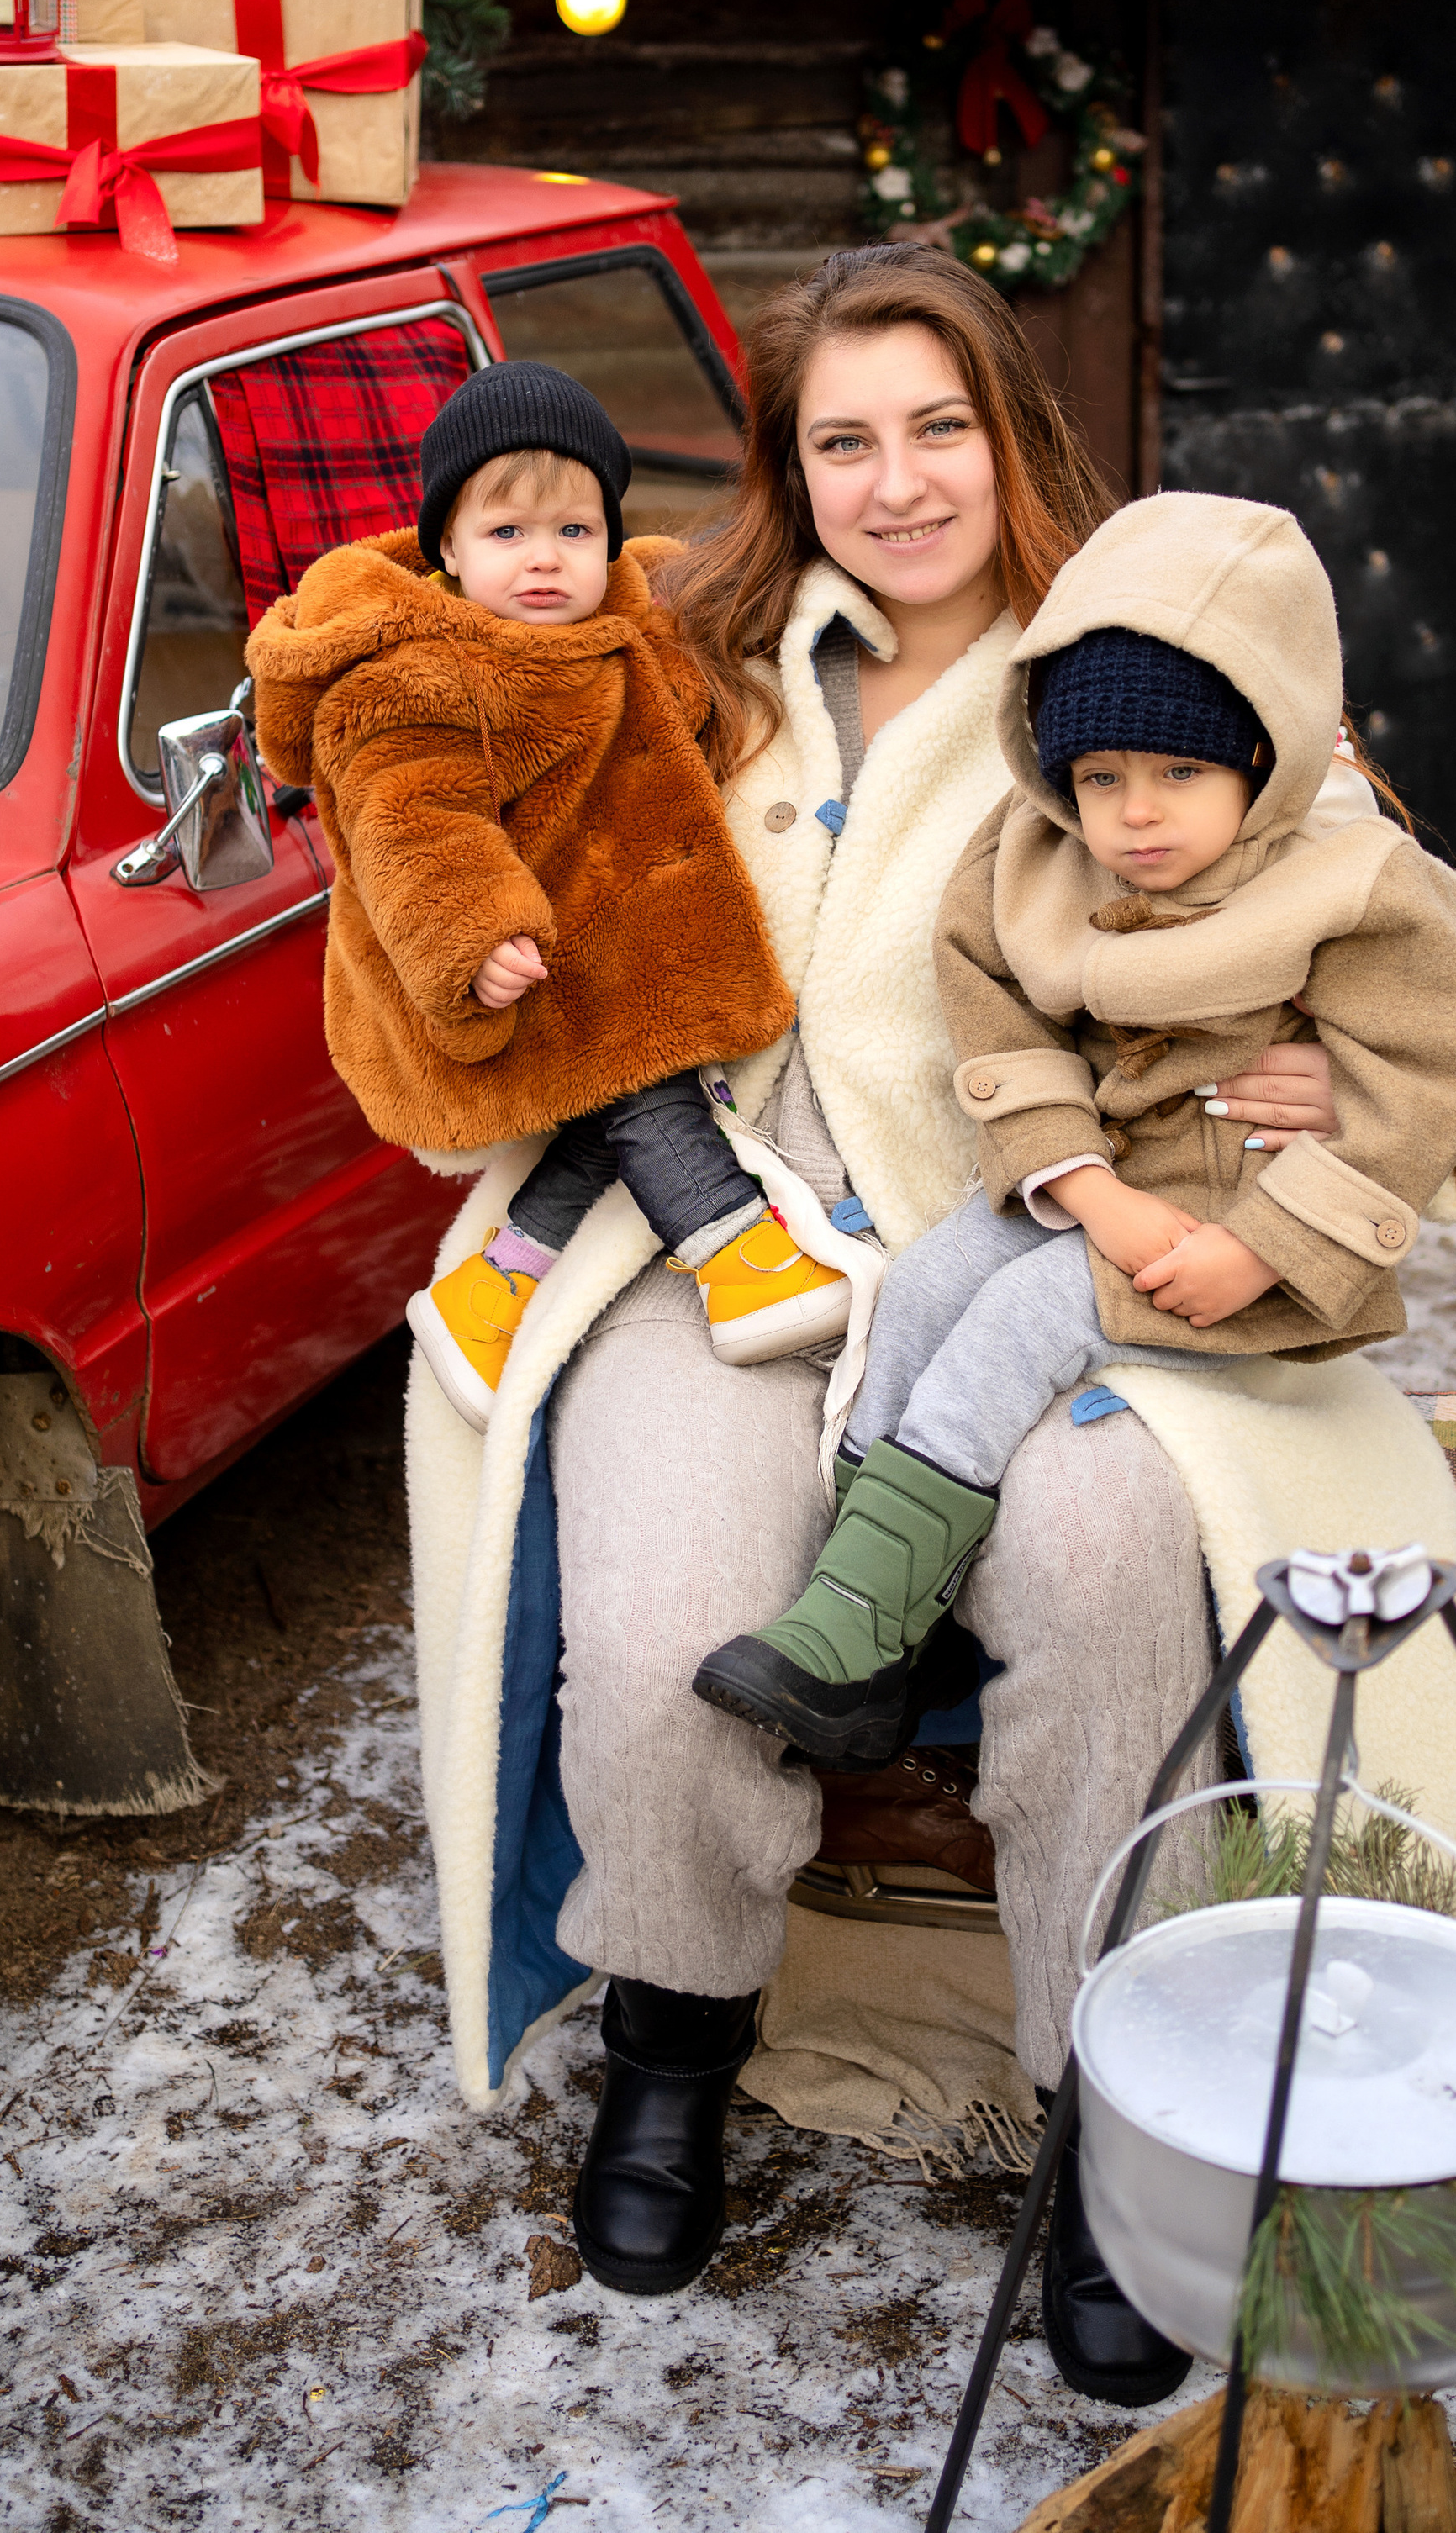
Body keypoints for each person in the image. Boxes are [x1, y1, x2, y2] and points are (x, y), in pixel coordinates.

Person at [478, 245, 1375, 2405]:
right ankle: (672, 2043)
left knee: (1094, 1579)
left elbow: (1367, 908)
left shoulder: (1142, 665)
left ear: (1010, 433)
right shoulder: (684, 668)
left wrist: (1327, 1086)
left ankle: (1104, 2115)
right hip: (731, 1249)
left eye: (937, 428)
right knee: (669, 1610)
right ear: (787, 467)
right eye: (841, 439)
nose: (895, 483)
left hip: (1044, 1252)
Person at [693, 488, 1456, 1762]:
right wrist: (1088, 1192)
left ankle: (868, 1628)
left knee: (1014, 1324)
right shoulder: (1033, 858)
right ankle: (869, 1616)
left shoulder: (1354, 886)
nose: (1137, 815)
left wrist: (1264, 1246)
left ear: (1261, 757)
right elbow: (1000, 1027)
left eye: (1182, 773)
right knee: (932, 1284)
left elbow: (1425, 1077)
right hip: (1101, 1198)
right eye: (1102, 777)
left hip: (1241, 1247)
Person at [245, 357, 847, 1435]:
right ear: (446, 550)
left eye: (573, 532)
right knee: (646, 1084)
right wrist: (475, 939)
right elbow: (412, 824)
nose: (543, 561)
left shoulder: (629, 617)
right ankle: (737, 1252)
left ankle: (491, 1294)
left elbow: (698, 667)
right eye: (507, 535)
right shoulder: (420, 673)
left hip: (603, 946)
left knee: (610, 1102)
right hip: (499, 976)